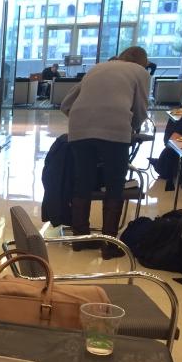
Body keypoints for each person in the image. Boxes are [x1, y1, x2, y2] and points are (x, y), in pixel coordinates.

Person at [60, 46, 150, 259]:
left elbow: (66, 104)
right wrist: (133, 128)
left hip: (79, 127)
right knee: (114, 184)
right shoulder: (140, 73)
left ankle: (80, 239)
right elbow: (140, 108)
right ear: (142, 62)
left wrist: (84, 121)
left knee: (83, 181)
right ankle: (109, 245)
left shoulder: (97, 68)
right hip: (115, 127)